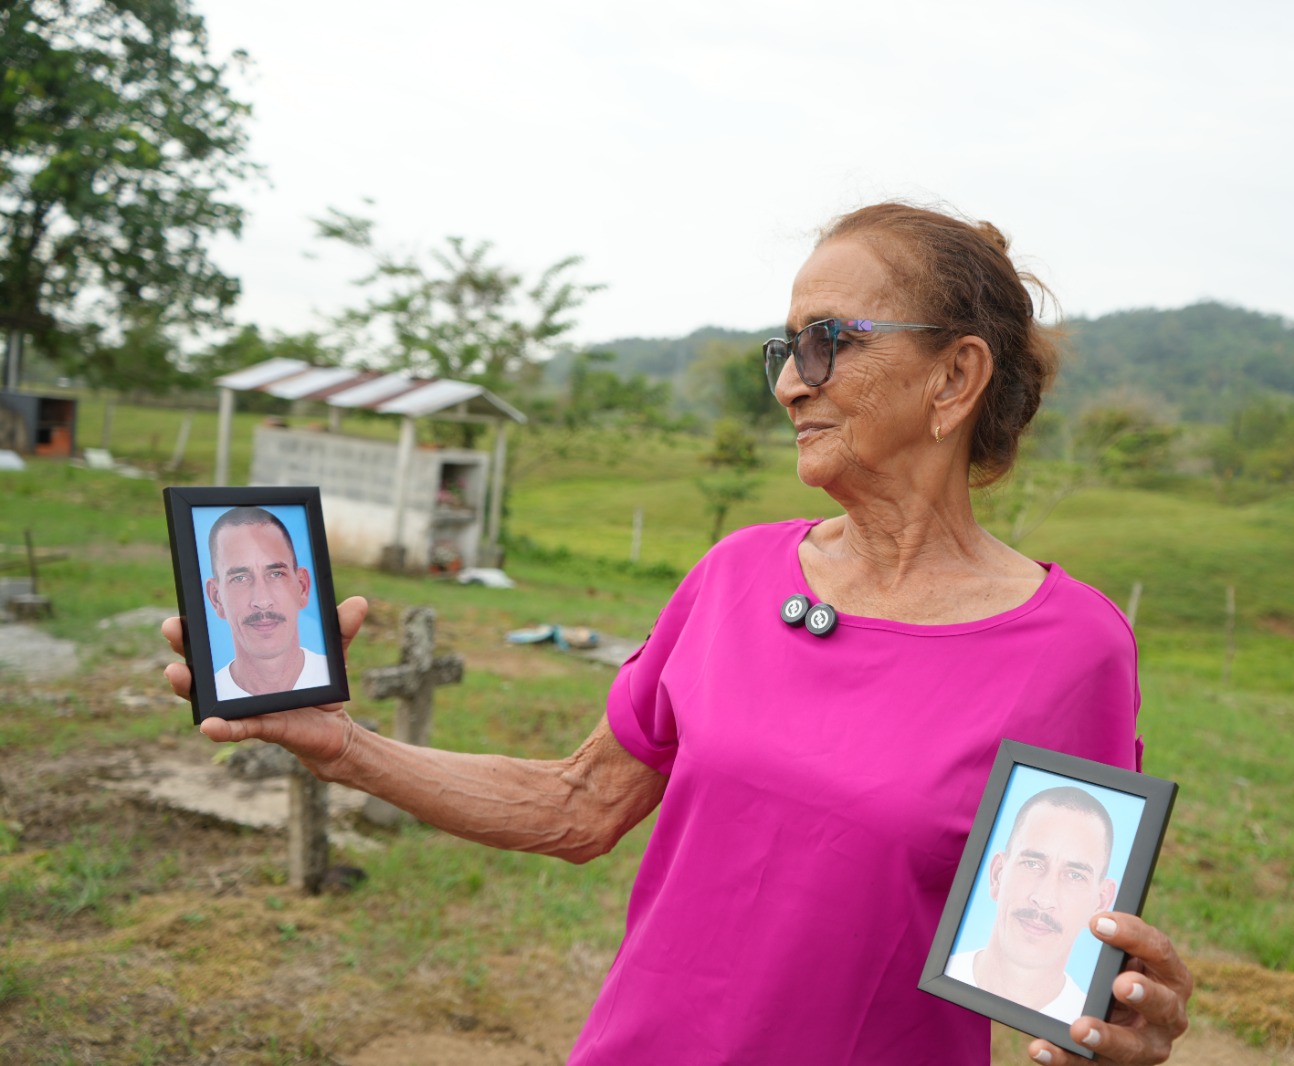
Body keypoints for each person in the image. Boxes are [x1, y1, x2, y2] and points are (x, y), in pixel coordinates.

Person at [164, 202, 1192, 1065]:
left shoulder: (1070, 649)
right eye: (785, 349)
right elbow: (579, 805)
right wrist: (343, 745)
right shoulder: (736, 575)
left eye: (828, 341)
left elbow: (1057, 974)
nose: (790, 382)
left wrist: (1114, 1031)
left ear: (955, 378)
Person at [945, 787, 1120, 1023]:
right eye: (1032, 864)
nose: (1044, 899)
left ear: (1101, 902)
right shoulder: (932, 976)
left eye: (1075, 875)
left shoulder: (1093, 1025)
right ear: (997, 875)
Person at [204, 506, 329, 698]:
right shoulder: (211, 695)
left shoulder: (330, 676)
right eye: (240, 578)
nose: (262, 601)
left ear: (302, 587)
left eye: (276, 574)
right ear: (216, 598)